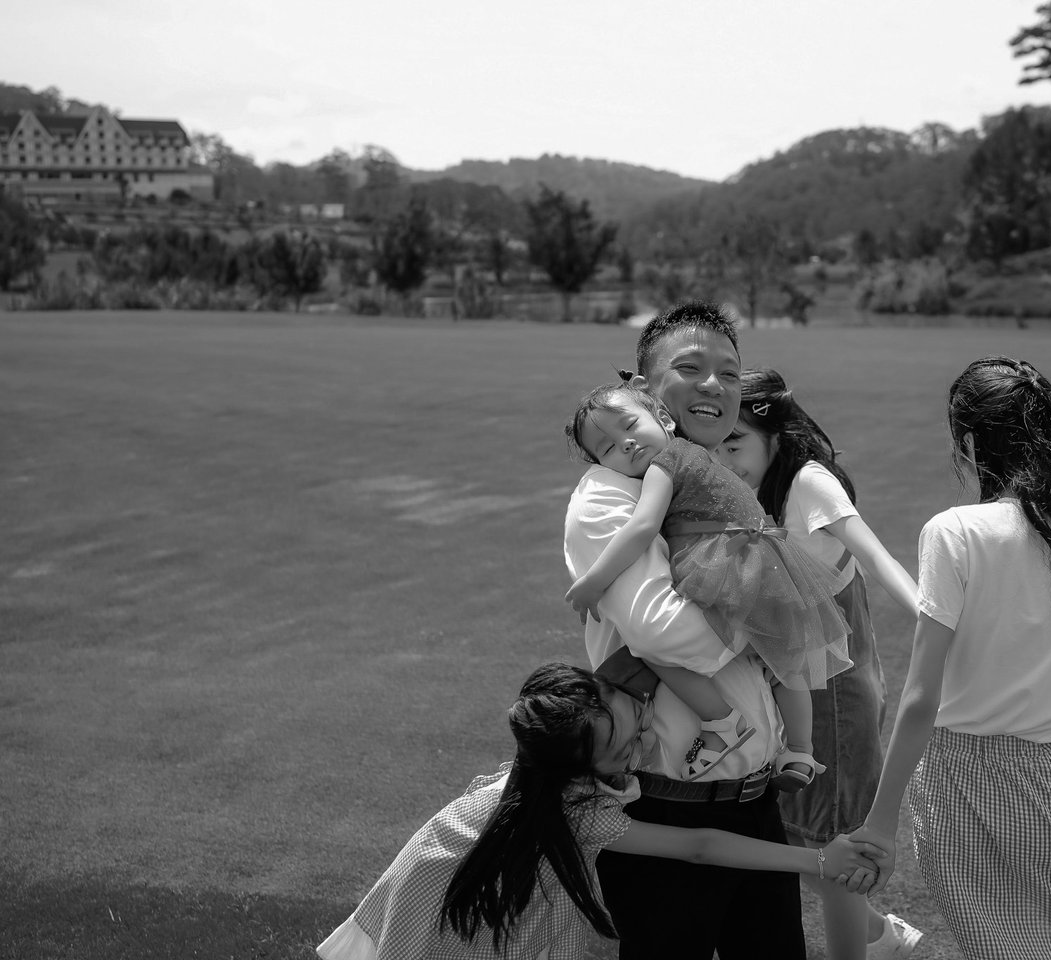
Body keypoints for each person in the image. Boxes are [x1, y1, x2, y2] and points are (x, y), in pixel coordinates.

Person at [853, 357, 1051, 959]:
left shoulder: (956, 532)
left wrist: (880, 821)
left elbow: (922, 696)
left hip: (958, 774)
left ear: (970, 442)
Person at [316, 660, 882, 960]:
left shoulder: (545, 767)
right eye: (629, 745)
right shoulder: (581, 809)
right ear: (583, 768)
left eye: (635, 719)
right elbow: (699, 846)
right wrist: (818, 863)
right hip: (450, 900)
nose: (644, 737)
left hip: (448, 884)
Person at [561, 302, 807, 959]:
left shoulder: (709, 481)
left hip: (753, 804)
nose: (713, 387)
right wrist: (768, 613)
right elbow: (669, 637)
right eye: (690, 368)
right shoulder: (607, 495)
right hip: (664, 812)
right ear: (644, 392)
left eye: (729, 374)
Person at [716, 368, 924, 960]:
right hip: (790, 686)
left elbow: (876, 556)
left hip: (831, 687)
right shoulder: (739, 484)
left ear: (774, 435)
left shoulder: (807, 483)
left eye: (738, 443)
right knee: (789, 837)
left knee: (830, 848)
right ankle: (882, 937)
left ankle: (868, 945)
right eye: (719, 444)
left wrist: (930, 618)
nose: (728, 458)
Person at [564, 376, 851, 787]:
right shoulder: (706, 454)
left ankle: (721, 722)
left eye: (629, 426)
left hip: (725, 562)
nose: (625, 443)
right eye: (608, 447)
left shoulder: (667, 463)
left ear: (663, 418)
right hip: (765, 562)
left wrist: (596, 580)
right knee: (786, 665)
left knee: (654, 649)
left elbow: (642, 527)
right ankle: (800, 752)